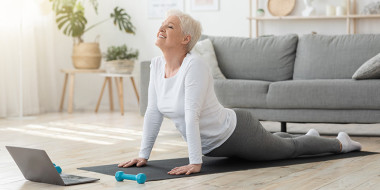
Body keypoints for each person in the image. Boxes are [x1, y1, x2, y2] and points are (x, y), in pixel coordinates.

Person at [118, 10, 362, 175]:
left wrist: (195, 162)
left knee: (290, 151)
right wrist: (143, 155)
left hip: (236, 133)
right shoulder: (156, 64)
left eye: (169, 26)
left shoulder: (195, 66)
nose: (161, 28)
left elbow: (192, 114)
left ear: (185, 39)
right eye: (162, 25)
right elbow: (153, 112)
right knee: (277, 143)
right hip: (217, 145)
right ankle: (309, 137)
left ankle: (340, 142)